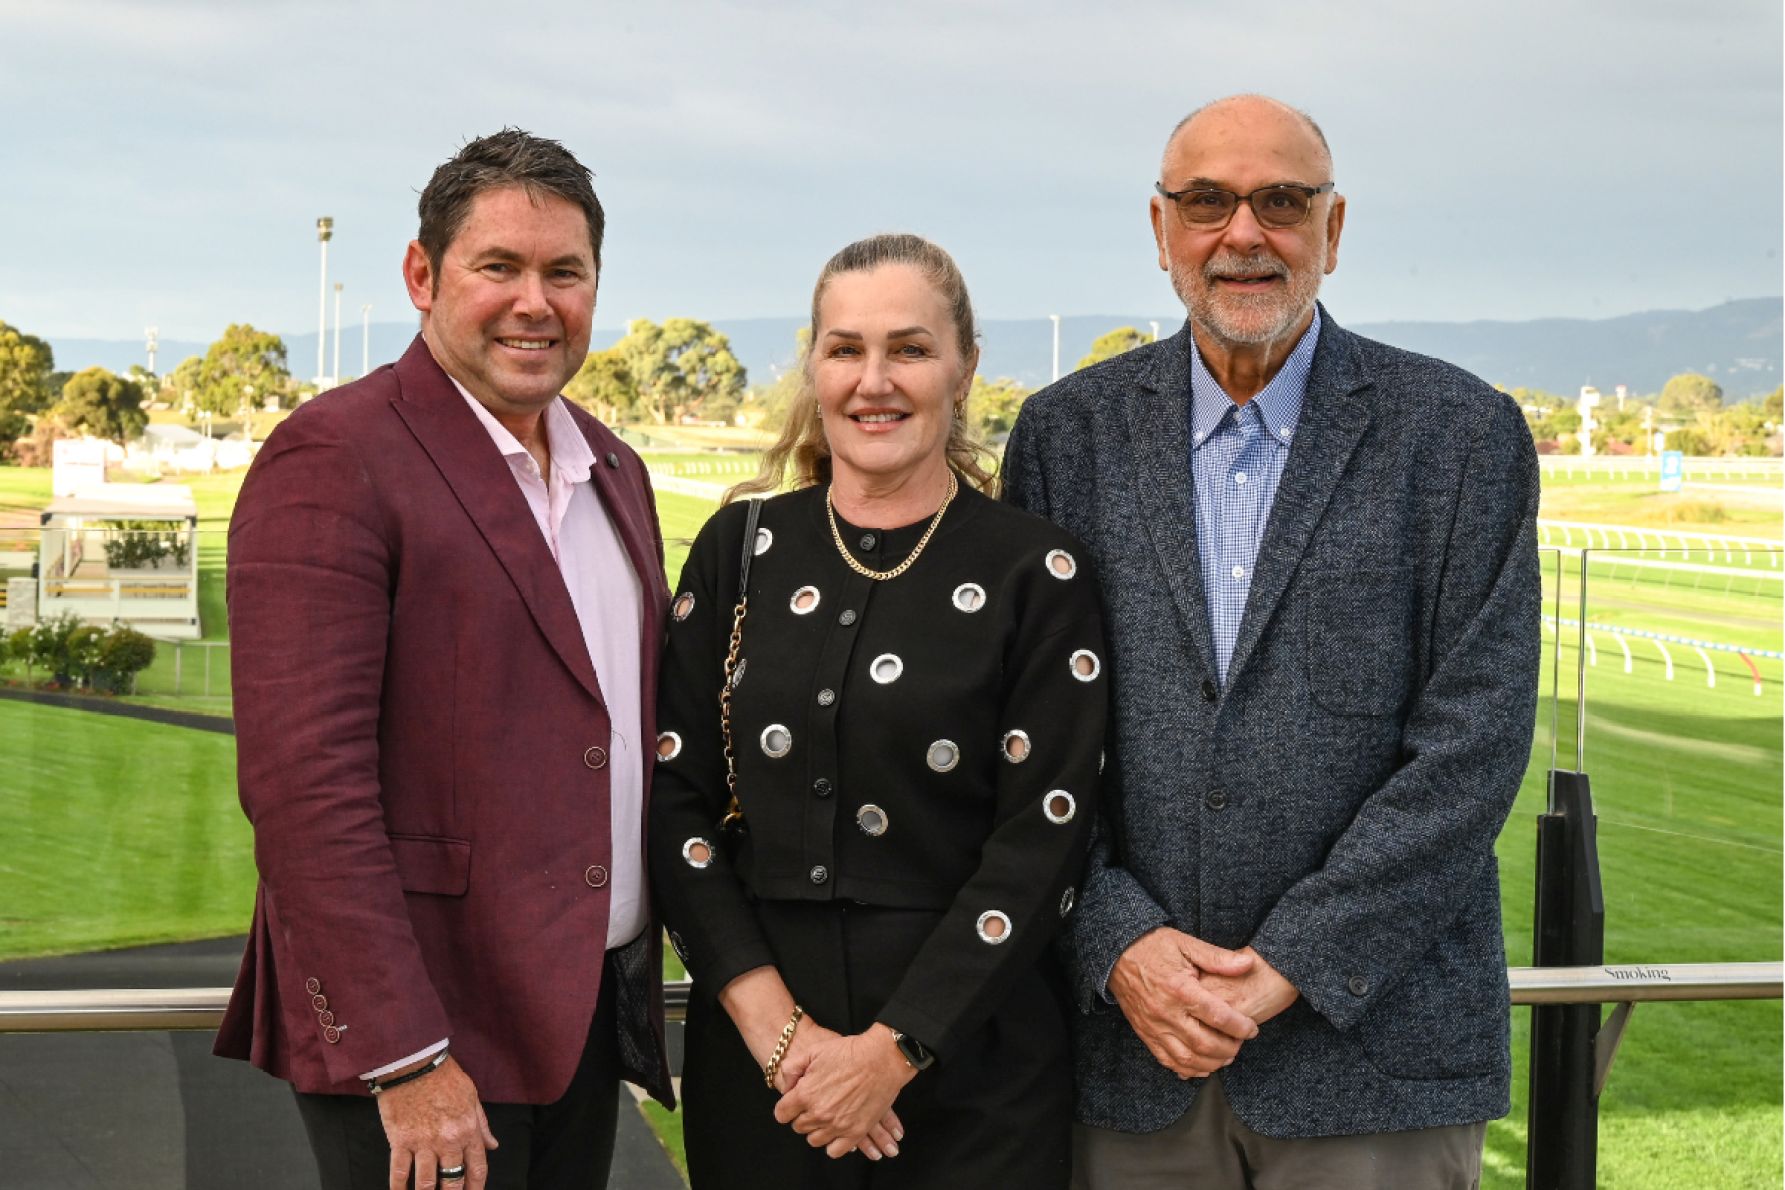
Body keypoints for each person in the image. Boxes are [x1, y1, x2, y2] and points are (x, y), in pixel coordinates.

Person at [1003, 95, 1541, 1188]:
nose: (1243, 233)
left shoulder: (1461, 435)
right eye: (1207, 202)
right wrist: (1118, 940)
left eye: (1281, 202)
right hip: (1131, 1053)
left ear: (1332, 232)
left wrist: (1293, 960)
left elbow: (1473, 748)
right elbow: (1030, 736)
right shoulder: (1066, 436)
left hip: (1375, 1059)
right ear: (1161, 232)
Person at [214, 129, 674, 1190]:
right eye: (498, 267)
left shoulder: (617, 466)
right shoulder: (336, 455)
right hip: (430, 1031)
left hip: (583, 1009)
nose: (536, 302)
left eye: (566, 272)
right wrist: (403, 1052)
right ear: (423, 276)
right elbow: (301, 786)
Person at [650, 233, 1107, 1188]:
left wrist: (891, 1054)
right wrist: (786, 1045)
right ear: (812, 366)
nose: (874, 380)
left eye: (909, 348)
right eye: (845, 348)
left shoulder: (1038, 572)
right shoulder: (740, 550)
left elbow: (1045, 839)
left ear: (964, 368)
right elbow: (673, 805)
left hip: (977, 1066)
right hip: (766, 1067)